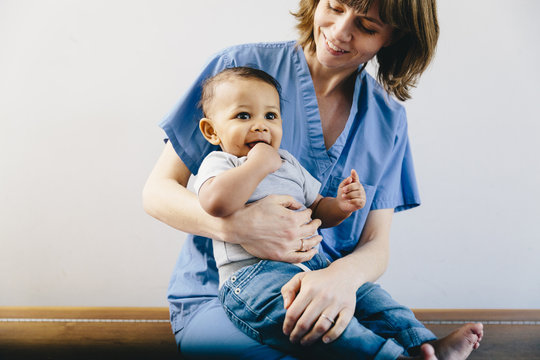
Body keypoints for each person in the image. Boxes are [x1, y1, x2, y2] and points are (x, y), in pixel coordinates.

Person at [143, 0, 484, 359]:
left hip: (326, 286)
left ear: (394, 38)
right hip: (226, 293)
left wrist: (341, 278)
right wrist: (238, 228)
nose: (339, 31)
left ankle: (424, 345)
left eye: (366, 26)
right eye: (334, 7)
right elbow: (156, 193)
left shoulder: (388, 119)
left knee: (372, 312)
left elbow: (375, 244)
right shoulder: (238, 72)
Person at [194, 65, 446, 359]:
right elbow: (215, 203)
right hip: (251, 279)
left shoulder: (288, 163)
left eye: (270, 116)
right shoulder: (221, 164)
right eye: (243, 116)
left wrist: (340, 205)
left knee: (368, 296)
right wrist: (257, 164)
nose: (261, 125)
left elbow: (317, 209)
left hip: (317, 268)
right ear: (212, 131)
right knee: (315, 321)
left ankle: (425, 343)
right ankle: (389, 356)